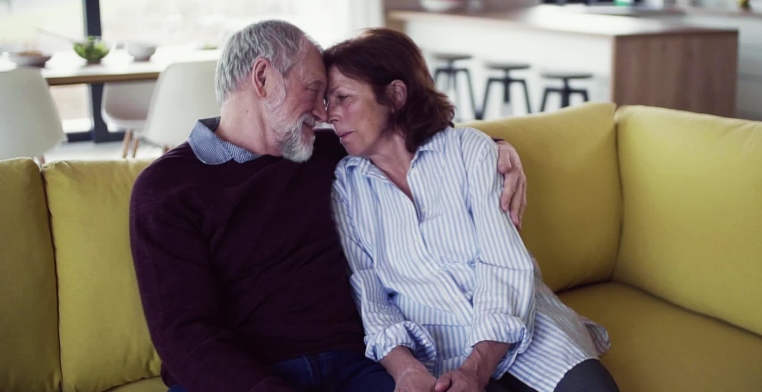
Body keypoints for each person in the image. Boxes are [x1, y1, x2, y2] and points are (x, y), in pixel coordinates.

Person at [129, 20, 528, 392]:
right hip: (248, 377)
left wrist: (497, 148)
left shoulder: (327, 152)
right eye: (314, 90)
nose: (324, 113)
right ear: (263, 78)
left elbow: (415, 137)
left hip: (353, 366)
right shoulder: (166, 188)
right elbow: (185, 337)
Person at [324, 28, 619, 392]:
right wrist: (404, 369)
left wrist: (477, 368)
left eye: (342, 97)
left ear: (396, 95)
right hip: (435, 349)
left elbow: (503, 264)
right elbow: (370, 295)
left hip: (523, 326)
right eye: (327, 101)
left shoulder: (470, 151)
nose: (330, 114)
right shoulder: (347, 186)